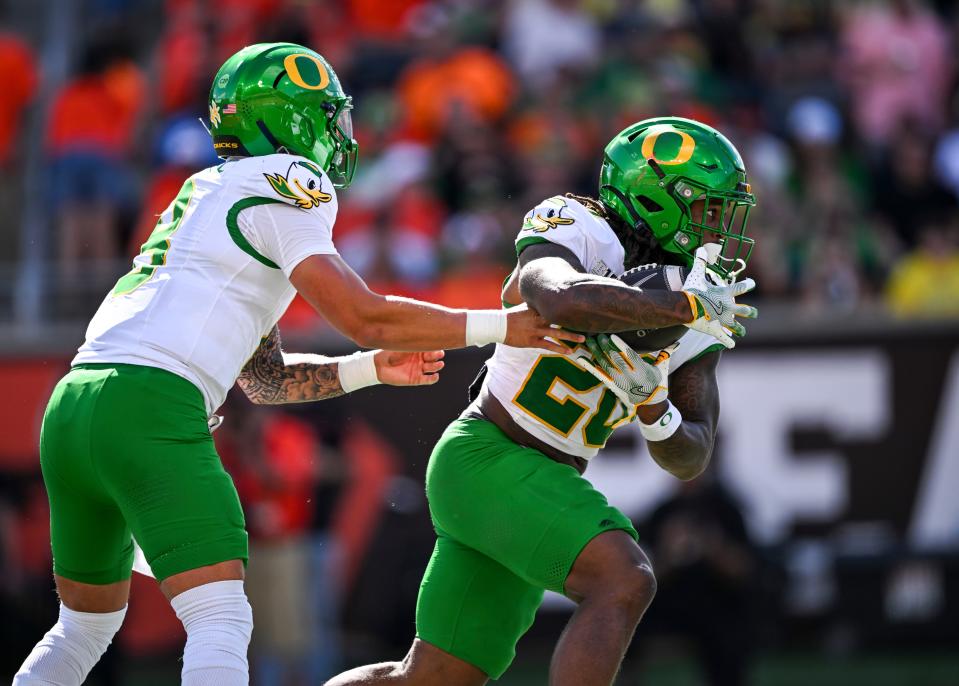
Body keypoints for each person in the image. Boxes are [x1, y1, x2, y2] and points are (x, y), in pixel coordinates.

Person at [13, 42, 585, 686]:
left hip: (74, 404)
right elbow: (362, 314)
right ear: (287, 120)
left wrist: (371, 368)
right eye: (326, 114)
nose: (340, 133)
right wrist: (503, 325)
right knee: (221, 619)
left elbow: (264, 378)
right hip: (150, 402)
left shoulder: (209, 188)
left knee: (82, 628)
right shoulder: (287, 183)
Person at [325, 116, 759, 686]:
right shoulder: (580, 225)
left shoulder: (699, 305)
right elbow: (553, 296)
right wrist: (678, 309)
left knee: (428, 679)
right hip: (488, 455)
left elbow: (691, 454)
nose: (716, 227)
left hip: (536, 481)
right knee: (623, 579)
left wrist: (654, 407)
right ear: (656, 201)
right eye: (705, 208)